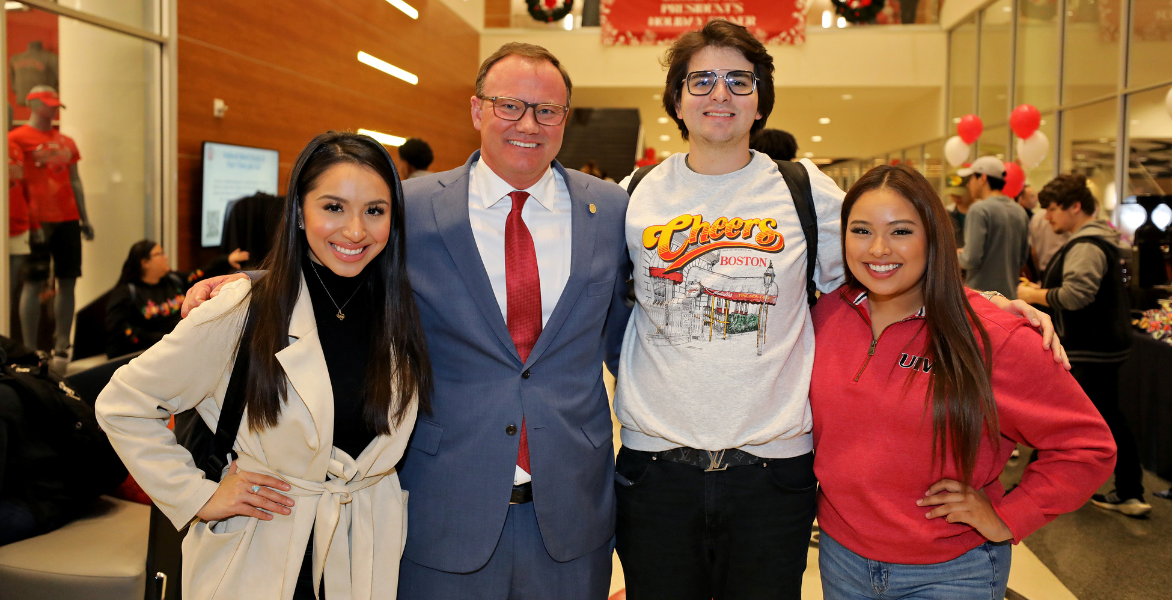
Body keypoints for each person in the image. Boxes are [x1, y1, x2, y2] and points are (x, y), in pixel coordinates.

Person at [612, 20, 1064, 600]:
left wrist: (990, 306)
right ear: (677, 100)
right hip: (654, 466)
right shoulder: (634, 193)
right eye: (701, 80)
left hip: (772, 472)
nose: (720, 93)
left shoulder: (803, 190)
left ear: (760, 101)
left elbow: (890, 260)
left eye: (739, 80)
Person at [184, 43, 632, 599]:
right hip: (442, 504)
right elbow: (341, 258)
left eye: (547, 110)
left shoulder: (609, 210)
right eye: (509, 105)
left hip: (572, 506)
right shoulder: (411, 206)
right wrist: (251, 283)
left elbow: (631, 333)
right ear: (477, 109)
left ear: (565, 118)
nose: (528, 124)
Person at [96, 131, 433, 600]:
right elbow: (123, 403)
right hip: (261, 551)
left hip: (362, 552)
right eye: (333, 207)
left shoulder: (399, 311)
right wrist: (198, 495)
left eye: (374, 211)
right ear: (298, 211)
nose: (356, 230)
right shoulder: (243, 308)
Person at [810, 164, 1115, 600]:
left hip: (952, 572)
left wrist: (1009, 516)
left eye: (900, 231)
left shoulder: (993, 336)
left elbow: (1087, 447)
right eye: (861, 231)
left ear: (934, 237)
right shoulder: (826, 315)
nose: (878, 248)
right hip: (842, 559)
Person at [1017, 174, 1150, 517]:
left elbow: (1076, 295)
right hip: (1103, 345)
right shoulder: (1096, 239)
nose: (1047, 217)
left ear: (1075, 206)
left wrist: (1031, 294)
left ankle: (1029, 494)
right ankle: (1129, 490)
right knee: (1105, 418)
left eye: (1053, 209)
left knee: (1065, 420)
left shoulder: (1087, 244)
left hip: (1091, 348)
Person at [9, 86, 91, 371]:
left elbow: (75, 181)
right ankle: (30, 350)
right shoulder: (16, 139)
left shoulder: (67, 142)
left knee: (68, 282)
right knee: (33, 283)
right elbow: (14, 183)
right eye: (48, 104)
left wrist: (84, 218)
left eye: (56, 104)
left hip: (67, 219)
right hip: (36, 221)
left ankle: (62, 349)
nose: (54, 109)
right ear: (32, 104)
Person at [104, 240, 247, 358]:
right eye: (160, 254)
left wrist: (225, 261)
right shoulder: (127, 292)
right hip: (143, 355)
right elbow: (122, 331)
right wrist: (165, 338)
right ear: (145, 262)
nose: (165, 257)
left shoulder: (173, 280)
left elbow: (200, 275)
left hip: (177, 349)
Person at [957, 156, 1029, 298]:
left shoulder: (979, 209)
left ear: (983, 178)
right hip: (1009, 297)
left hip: (982, 297)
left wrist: (955, 256)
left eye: (971, 178)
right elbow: (1021, 259)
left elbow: (971, 259)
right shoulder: (1019, 211)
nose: (969, 184)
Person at [1028, 187, 1071, 274]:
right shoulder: (1063, 218)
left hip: (1045, 270)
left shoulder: (1036, 217)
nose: (1047, 217)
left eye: (1052, 209)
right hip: (1061, 270)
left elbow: (1033, 251)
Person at [945, 184, 974, 249]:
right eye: (952, 195)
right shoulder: (948, 212)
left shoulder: (982, 212)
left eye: (959, 195)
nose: (956, 199)